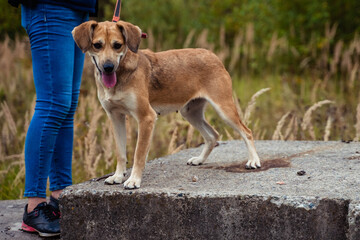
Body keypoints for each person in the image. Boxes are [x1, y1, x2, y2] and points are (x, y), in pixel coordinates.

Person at [8, 0, 97, 237]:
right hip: (50, 7)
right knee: (53, 104)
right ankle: (34, 207)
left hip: (79, 9)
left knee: (66, 108)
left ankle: (59, 197)